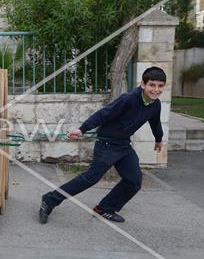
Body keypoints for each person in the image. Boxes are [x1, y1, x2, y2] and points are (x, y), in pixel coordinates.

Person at [39, 66, 166, 224]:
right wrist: (82, 129)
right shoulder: (129, 99)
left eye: (160, 86)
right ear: (143, 84)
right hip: (107, 144)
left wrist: (158, 139)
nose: (156, 89)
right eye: (152, 85)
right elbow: (104, 113)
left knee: (134, 180)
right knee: (90, 179)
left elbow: (155, 122)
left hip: (123, 146)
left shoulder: (155, 104)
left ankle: (105, 208)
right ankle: (49, 200)